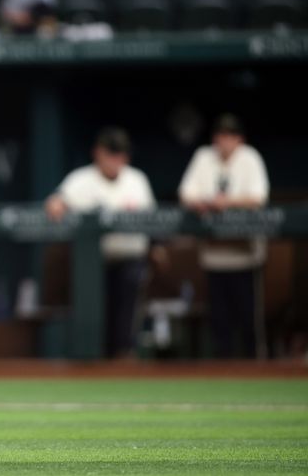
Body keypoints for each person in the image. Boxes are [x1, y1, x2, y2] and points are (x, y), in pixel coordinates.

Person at [45, 127, 156, 358]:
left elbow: (153, 221)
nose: (115, 160)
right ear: (98, 153)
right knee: (94, 315)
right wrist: (56, 203)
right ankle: (92, 363)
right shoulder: (81, 179)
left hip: (130, 259)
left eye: (120, 154)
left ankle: (124, 357)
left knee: (126, 313)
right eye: (110, 153)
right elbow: (56, 201)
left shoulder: (136, 180)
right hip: (94, 263)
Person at [179, 114, 269, 358]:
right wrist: (205, 202)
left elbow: (258, 198)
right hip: (214, 254)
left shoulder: (250, 157)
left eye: (230, 136)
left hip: (245, 255)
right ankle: (223, 372)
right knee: (219, 321)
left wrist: (226, 202)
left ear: (239, 139)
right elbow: (185, 193)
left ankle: (255, 369)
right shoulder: (203, 156)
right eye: (220, 135)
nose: (224, 141)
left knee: (248, 319)